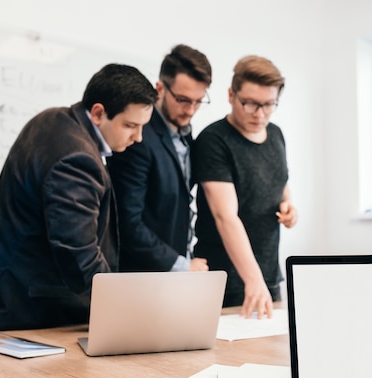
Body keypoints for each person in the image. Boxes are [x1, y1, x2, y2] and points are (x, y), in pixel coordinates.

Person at [0, 64, 158, 332]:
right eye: (130, 125)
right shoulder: (77, 158)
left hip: (9, 285)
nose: (139, 137)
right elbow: (78, 251)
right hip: (23, 301)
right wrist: (120, 311)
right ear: (98, 113)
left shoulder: (55, 119)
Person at [193, 55, 298, 319]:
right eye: (250, 104)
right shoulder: (213, 140)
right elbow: (225, 216)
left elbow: (280, 180)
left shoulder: (276, 134)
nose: (259, 114)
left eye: (268, 105)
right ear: (231, 95)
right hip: (226, 281)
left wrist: (289, 205)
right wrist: (252, 279)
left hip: (268, 276)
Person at [106, 45, 211, 272]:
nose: (191, 109)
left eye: (198, 100)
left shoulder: (184, 134)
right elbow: (128, 223)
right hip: (141, 277)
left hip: (172, 274)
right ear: (160, 89)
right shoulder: (137, 137)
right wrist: (181, 266)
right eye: (183, 99)